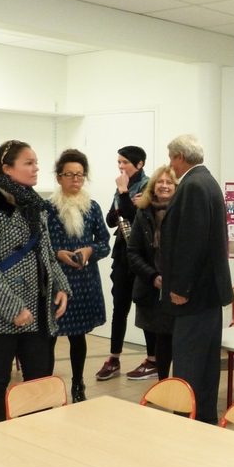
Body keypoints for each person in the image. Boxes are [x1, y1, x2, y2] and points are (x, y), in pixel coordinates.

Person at [0, 140, 70, 425]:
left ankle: (36, 435)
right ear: (7, 169)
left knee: (38, 379)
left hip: (38, 309)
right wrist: (13, 308)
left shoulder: (34, 205)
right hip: (0, 311)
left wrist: (60, 287)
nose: (36, 168)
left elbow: (46, 252)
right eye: (28, 163)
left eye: (36, 162)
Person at [160, 134, 234, 424]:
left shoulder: (191, 185)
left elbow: (191, 242)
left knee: (189, 363)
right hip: (209, 294)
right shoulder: (208, 182)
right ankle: (203, 420)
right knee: (205, 364)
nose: (170, 165)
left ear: (180, 157)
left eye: (171, 158)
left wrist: (180, 287)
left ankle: (186, 422)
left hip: (194, 295)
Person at [45, 149, 110, 403]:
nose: (75, 180)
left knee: (78, 336)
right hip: (56, 279)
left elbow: (105, 243)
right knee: (50, 336)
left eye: (80, 175)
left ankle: (78, 383)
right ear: (59, 177)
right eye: (70, 175)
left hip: (84, 280)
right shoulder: (47, 209)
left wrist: (89, 250)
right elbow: (38, 245)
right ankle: (47, 385)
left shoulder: (92, 208)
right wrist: (57, 253)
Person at [95, 146, 150, 382]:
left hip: (142, 255)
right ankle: (114, 357)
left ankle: (153, 359)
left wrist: (124, 195)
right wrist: (125, 200)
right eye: (119, 162)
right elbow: (111, 219)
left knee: (145, 307)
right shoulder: (122, 187)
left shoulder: (148, 186)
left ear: (139, 164)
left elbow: (137, 218)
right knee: (120, 306)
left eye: (125, 162)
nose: (120, 166)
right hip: (122, 253)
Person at [128, 164, 177, 381]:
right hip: (151, 288)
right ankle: (163, 384)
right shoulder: (143, 213)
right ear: (153, 186)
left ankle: (180, 387)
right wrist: (152, 276)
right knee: (161, 341)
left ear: (177, 187)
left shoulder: (183, 212)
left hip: (177, 287)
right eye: (160, 181)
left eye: (169, 182)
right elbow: (133, 252)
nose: (164, 186)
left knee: (177, 340)